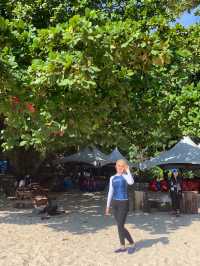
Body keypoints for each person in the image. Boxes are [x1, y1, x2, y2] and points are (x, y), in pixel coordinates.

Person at [105, 159, 135, 254]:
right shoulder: (112, 178)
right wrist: (107, 205)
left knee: (120, 225)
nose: (120, 167)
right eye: (118, 165)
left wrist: (128, 170)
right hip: (115, 203)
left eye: (122, 166)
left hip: (124, 203)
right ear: (116, 167)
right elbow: (110, 192)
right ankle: (122, 246)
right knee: (119, 226)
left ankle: (132, 243)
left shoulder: (126, 176)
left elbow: (131, 182)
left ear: (124, 167)